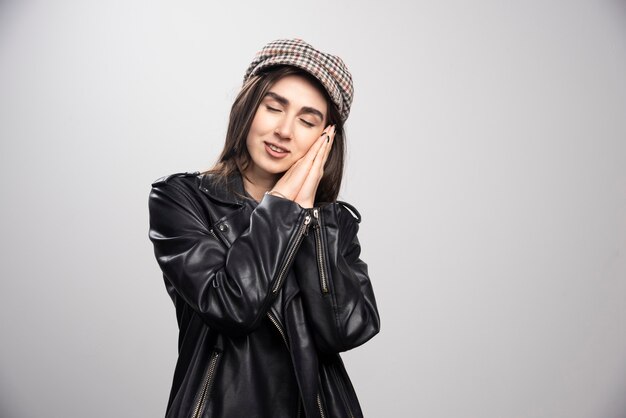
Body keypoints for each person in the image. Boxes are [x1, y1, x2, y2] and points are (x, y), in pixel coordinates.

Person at [148, 38, 380, 418]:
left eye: (307, 121)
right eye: (273, 108)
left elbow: (346, 330)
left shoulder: (331, 223)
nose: (285, 131)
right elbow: (231, 306)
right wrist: (283, 209)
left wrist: (310, 220)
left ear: (326, 139)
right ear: (248, 107)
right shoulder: (181, 199)